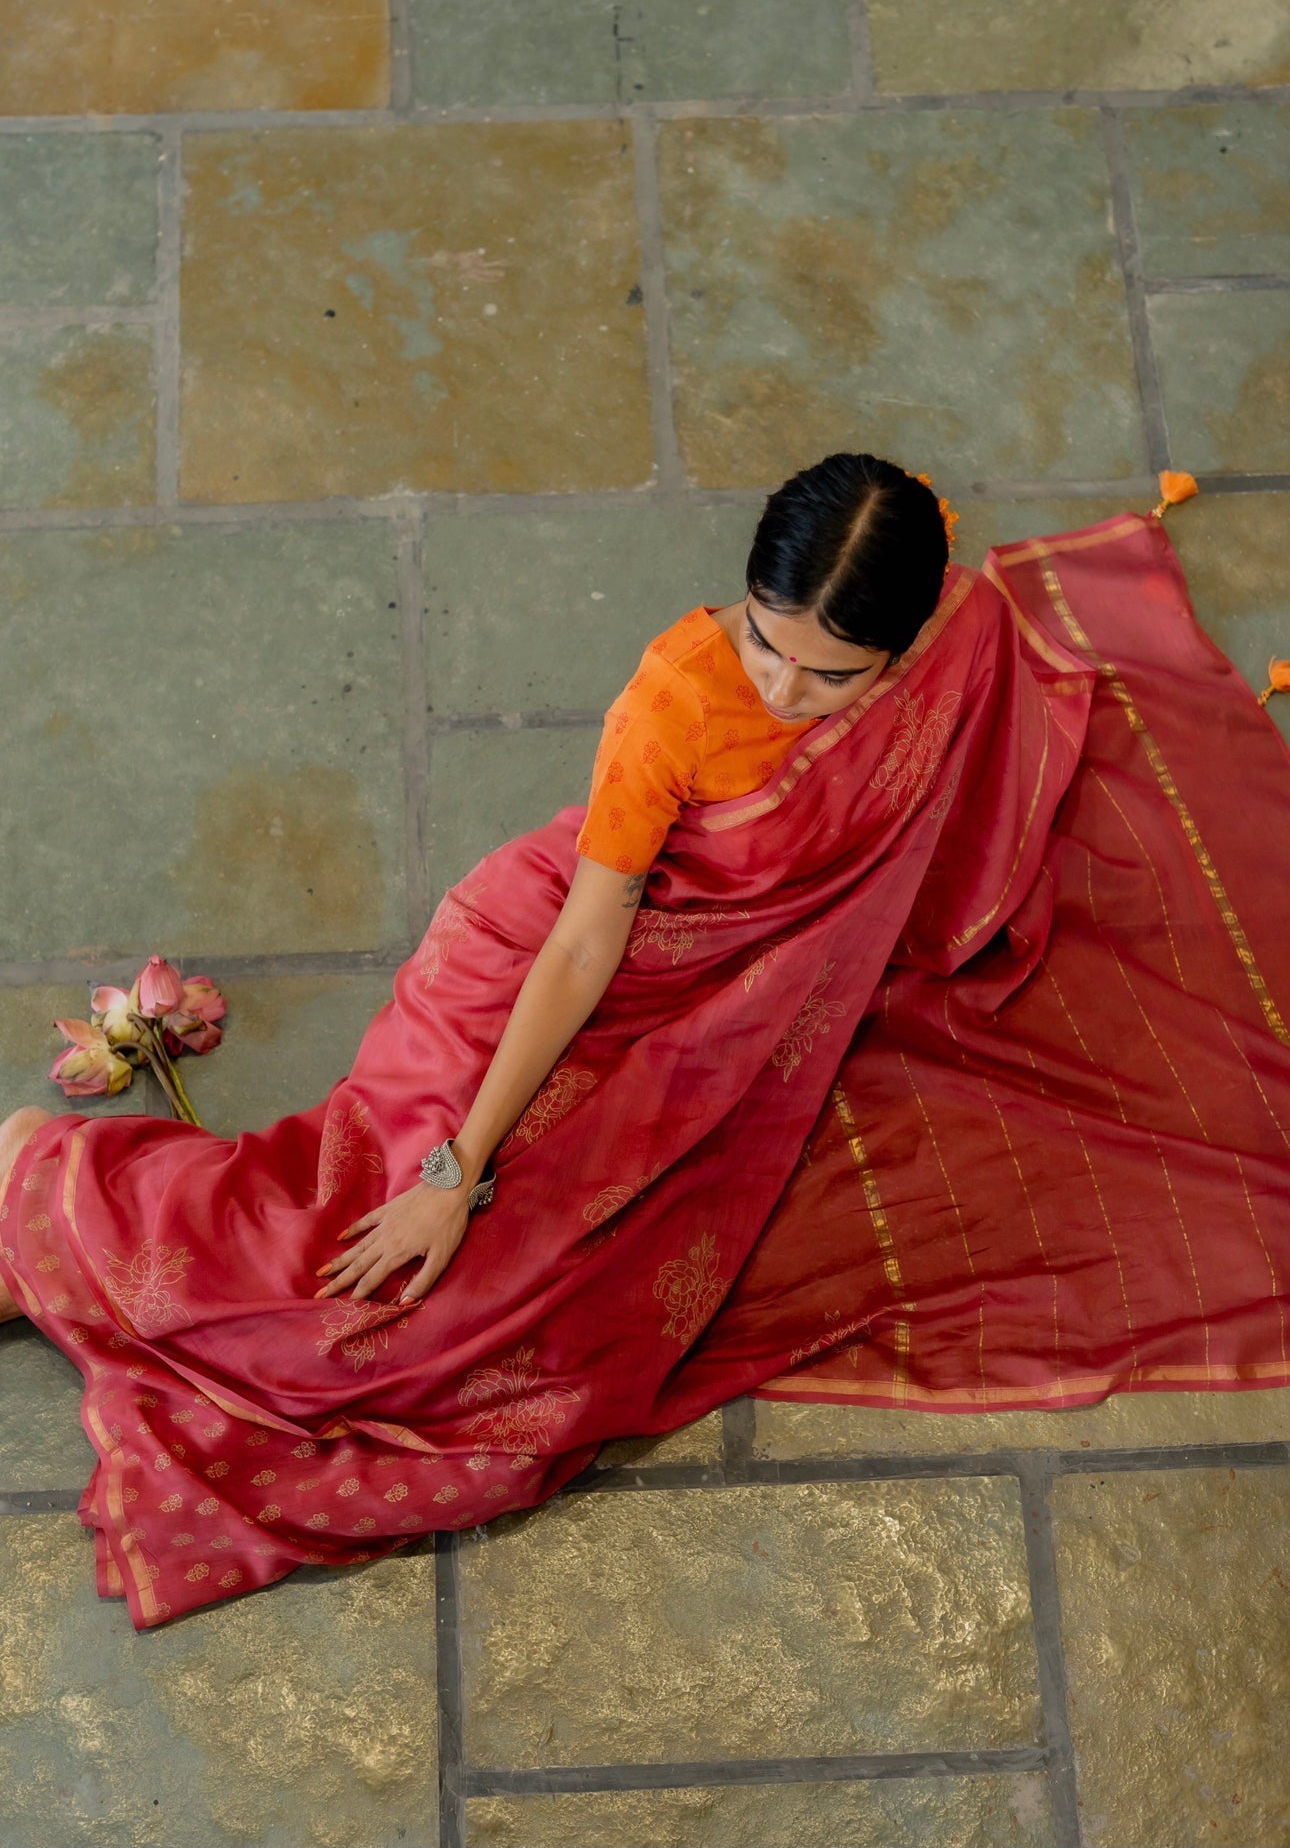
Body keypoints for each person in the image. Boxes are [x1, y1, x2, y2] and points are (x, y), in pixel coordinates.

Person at [5, 452, 1287, 1631]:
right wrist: (455, 1172)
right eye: (766, 642)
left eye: (830, 675)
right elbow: (583, 938)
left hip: (737, 995)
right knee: (370, 1263)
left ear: (903, 645)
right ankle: (46, 1193)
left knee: (533, 1346)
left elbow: (965, 786)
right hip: (552, 970)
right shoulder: (677, 697)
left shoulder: (962, 637)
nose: (781, 688)